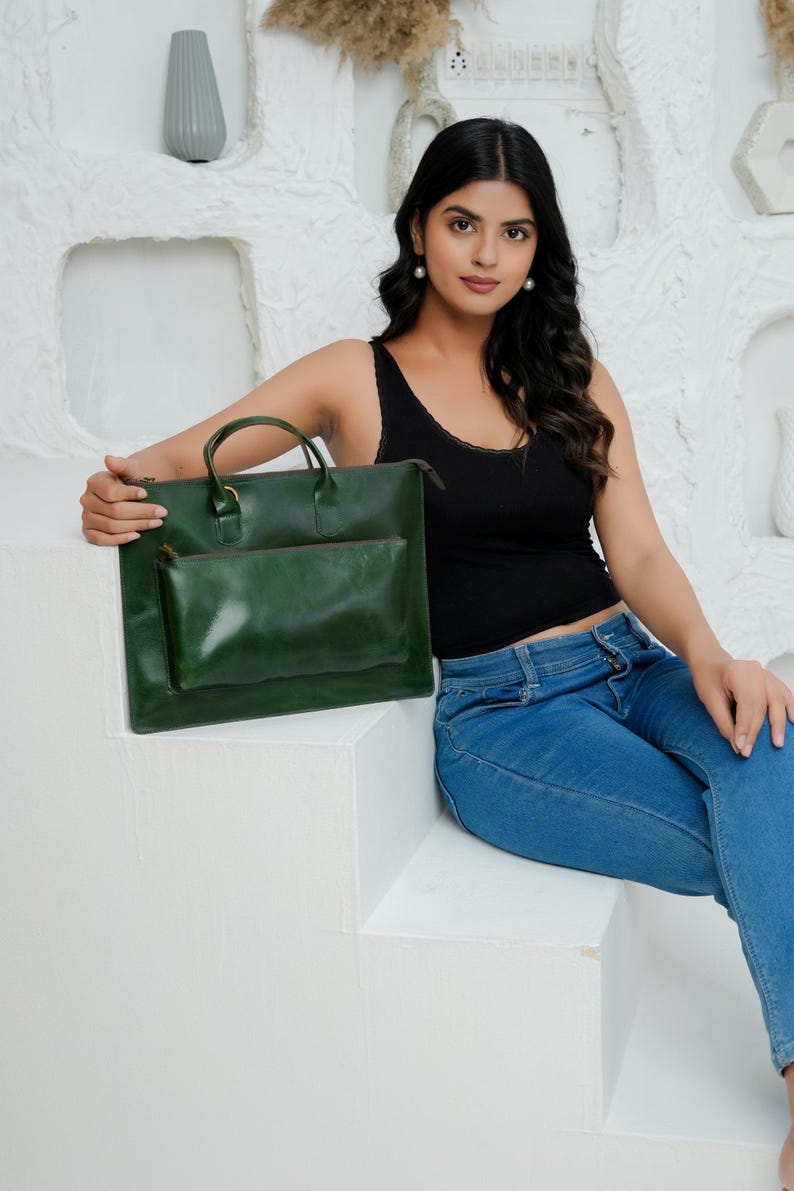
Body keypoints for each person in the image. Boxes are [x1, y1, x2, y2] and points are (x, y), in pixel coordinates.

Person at [80, 117, 794, 1184]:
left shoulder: (573, 375)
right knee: (754, 826)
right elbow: (186, 459)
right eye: (462, 224)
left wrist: (710, 653)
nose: (485, 255)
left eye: (514, 232)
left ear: (538, 248)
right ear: (417, 227)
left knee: (774, 748)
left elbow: (637, 550)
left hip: (632, 665)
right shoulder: (352, 378)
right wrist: (114, 490)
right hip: (505, 719)